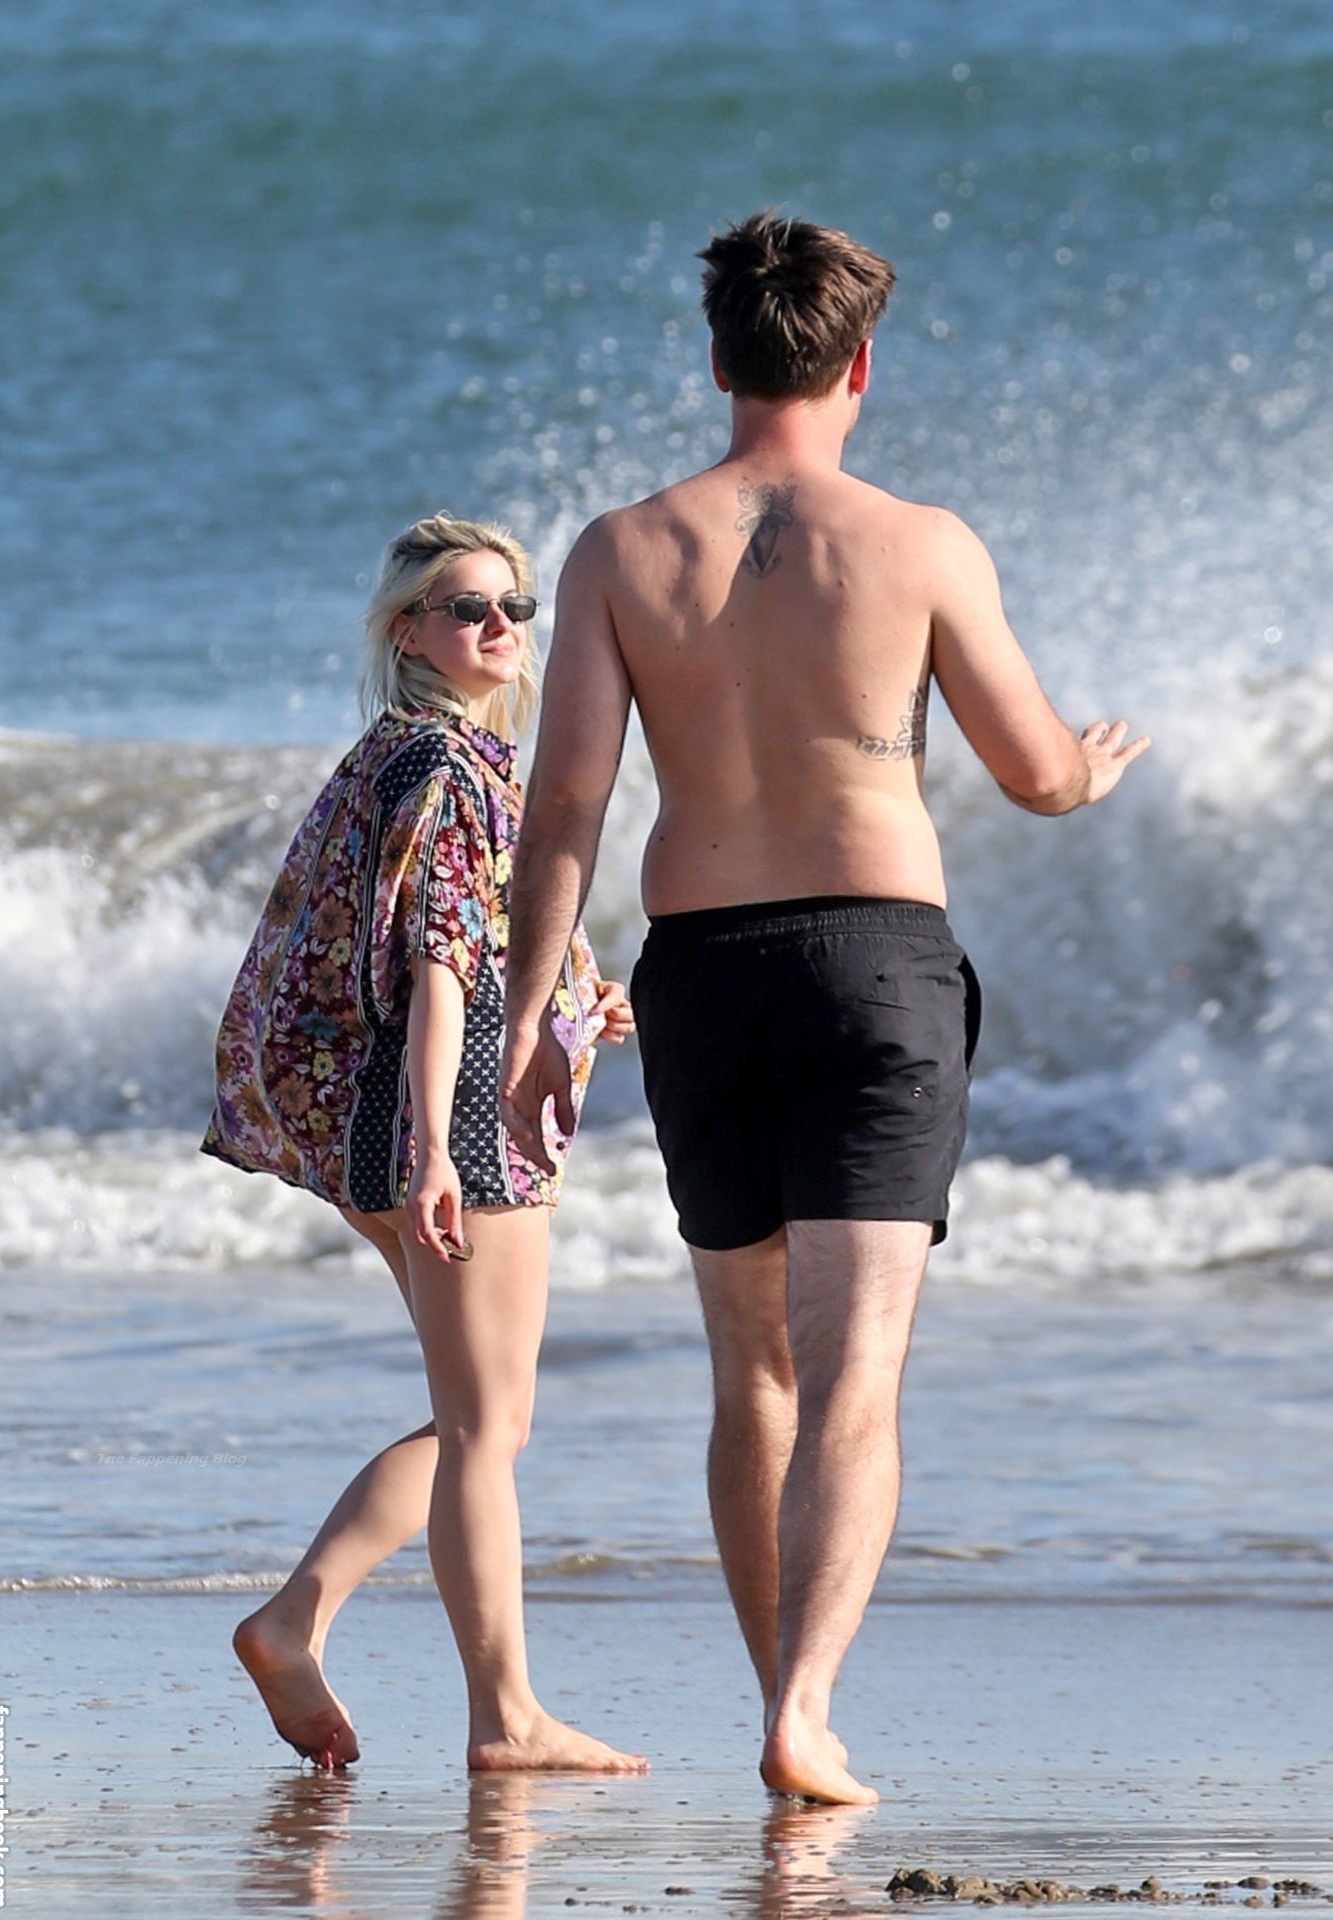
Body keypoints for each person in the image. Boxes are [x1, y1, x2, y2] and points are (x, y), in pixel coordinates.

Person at [499, 212, 1151, 1805]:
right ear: (859, 367)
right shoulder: (919, 544)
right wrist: (1087, 771)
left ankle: (775, 1702)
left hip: (702, 974)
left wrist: (529, 1020)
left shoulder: (619, 551)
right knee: (856, 1368)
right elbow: (1032, 771)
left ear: (718, 361)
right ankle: (806, 1709)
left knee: (753, 1374)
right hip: (876, 963)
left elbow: (566, 802)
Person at [201, 512, 646, 1777]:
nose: (499, 627)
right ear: (407, 632)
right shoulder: (448, 765)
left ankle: (294, 1623)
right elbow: (441, 967)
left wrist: (579, 998)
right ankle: (503, 1716)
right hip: (452, 1122)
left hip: (378, 1113)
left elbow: (445, 941)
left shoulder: (401, 754)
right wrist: (441, 1147)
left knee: (476, 1422)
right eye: (467, 608)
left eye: (514, 606)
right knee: (487, 1426)